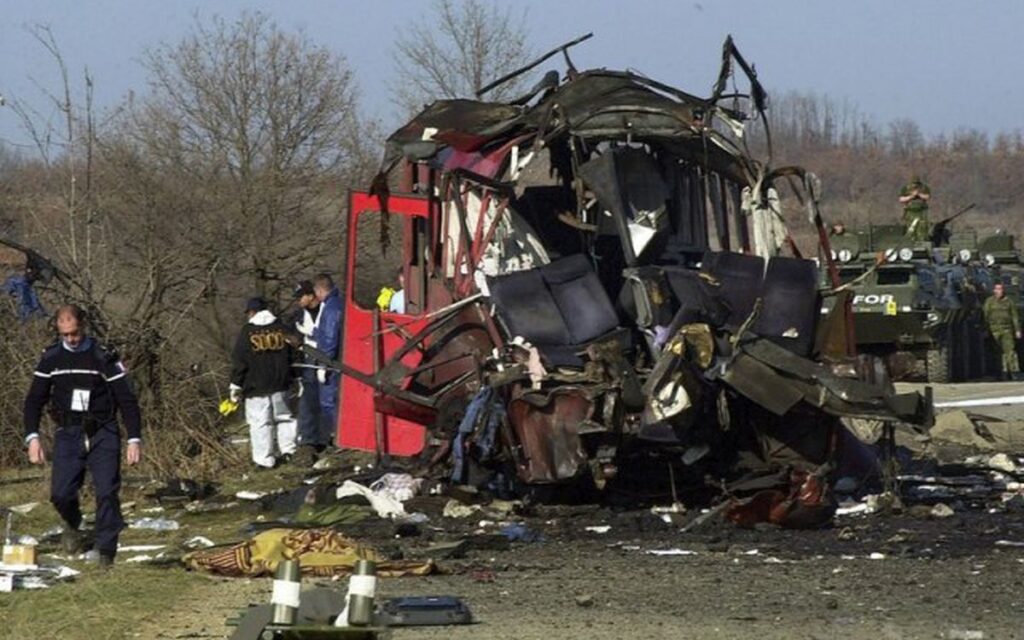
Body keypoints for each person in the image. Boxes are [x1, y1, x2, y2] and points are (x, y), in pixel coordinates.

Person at [23, 304, 142, 568]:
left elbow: (126, 399)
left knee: (107, 491)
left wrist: (134, 438)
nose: (71, 340)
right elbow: (34, 400)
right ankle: (76, 523)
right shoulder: (51, 359)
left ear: (83, 327)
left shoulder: (103, 357)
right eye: (65, 335)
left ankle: (106, 552)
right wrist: (32, 438)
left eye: (74, 333)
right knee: (61, 493)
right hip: (69, 431)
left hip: (103, 429)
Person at [230, 297, 298, 468]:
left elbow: (240, 361)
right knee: (285, 418)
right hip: (280, 382)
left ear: (252, 312)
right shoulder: (281, 328)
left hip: (255, 386)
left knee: (260, 423)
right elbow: (295, 351)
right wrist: (296, 376)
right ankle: (289, 451)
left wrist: (235, 385)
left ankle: (265, 460)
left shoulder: (247, 332)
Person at [291, 280, 329, 458]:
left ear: (311, 295)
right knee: (308, 401)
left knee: (328, 400)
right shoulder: (297, 318)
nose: (299, 300)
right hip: (308, 361)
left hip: (328, 358)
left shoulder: (328, 310)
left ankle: (326, 436)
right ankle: (308, 439)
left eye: (301, 296)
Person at [312, 274, 342, 440]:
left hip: (333, 364)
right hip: (338, 361)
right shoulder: (339, 303)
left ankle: (335, 436)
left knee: (329, 402)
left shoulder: (330, 308)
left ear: (320, 290)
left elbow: (330, 338)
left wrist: (324, 365)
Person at [983, 282, 1021, 380]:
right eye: (997, 289)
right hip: (993, 330)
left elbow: (1014, 317)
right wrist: (985, 329)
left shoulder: (1009, 301)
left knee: (1010, 351)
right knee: (996, 353)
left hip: (1006, 329)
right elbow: (985, 316)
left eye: (1001, 289)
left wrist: (1017, 330)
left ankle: (1013, 372)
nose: (999, 291)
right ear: (994, 290)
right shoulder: (989, 301)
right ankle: (999, 373)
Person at [899, 175, 931, 241]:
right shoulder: (906, 188)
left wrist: (919, 194)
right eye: (914, 183)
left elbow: (927, 197)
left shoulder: (924, 188)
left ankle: (922, 241)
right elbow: (901, 199)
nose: (915, 185)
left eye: (916, 183)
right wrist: (911, 196)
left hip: (921, 212)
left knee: (922, 227)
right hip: (910, 212)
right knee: (911, 228)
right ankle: (911, 241)